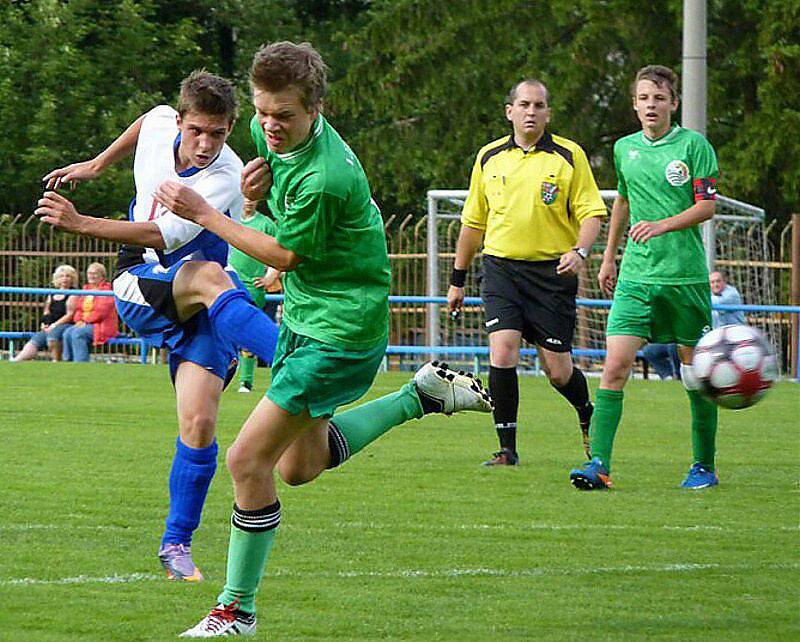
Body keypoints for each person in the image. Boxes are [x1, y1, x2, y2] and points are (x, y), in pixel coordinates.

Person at [160, 42, 493, 638]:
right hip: (307, 318)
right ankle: (420, 396)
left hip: (340, 331)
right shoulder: (276, 139)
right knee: (298, 468)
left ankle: (237, 610)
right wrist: (257, 199)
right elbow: (272, 215)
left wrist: (210, 214)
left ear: (317, 106)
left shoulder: (328, 176)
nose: (269, 127)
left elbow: (286, 252)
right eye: (262, 114)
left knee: (245, 459)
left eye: (283, 115)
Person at [36, 70, 281, 582]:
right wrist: (98, 164)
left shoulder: (221, 177)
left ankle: (175, 544)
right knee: (211, 275)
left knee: (200, 423)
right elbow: (146, 123)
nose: (206, 144)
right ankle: (294, 358)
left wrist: (81, 223)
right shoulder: (157, 123)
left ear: (230, 127)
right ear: (181, 119)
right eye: (196, 131)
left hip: (201, 295)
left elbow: (162, 231)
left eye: (217, 133)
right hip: (139, 280)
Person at [569, 65, 720, 491]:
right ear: (634, 104)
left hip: (684, 279)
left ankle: (703, 466)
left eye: (659, 98)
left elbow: (706, 207)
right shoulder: (624, 148)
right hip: (637, 276)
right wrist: (609, 257)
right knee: (614, 367)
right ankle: (598, 464)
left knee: (695, 377)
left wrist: (662, 224)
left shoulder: (694, 146)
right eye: (643, 98)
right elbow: (623, 201)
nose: (651, 105)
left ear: (674, 103)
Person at [447, 78, 607, 466]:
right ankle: (507, 450)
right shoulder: (489, 157)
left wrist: (580, 251)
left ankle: (586, 410)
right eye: (524, 105)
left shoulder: (569, 156)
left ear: (548, 113)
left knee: (557, 371)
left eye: (538, 106)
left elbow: (592, 212)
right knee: (502, 350)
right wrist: (457, 279)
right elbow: (473, 223)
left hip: (552, 274)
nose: (531, 112)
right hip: (501, 268)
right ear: (510, 112)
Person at [228, 198, 283, 393]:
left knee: (248, 335)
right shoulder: (228, 219)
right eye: (244, 197)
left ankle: (246, 382)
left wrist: (270, 276)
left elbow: (281, 254)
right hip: (227, 284)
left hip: (253, 288)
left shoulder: (266, 225)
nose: (248, 202)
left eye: (252, 199)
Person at [13, 264, 78, 362]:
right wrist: (45, 323)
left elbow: (70, 314)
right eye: (62, 276)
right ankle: (16, 361)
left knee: (53, 336)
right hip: (51, 325)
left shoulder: (74, 294)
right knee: (35, 340)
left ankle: (56, 361)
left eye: (68, 276)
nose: (65, 279)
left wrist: (54, 325)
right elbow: (46, 310)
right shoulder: (52, 293)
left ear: (72, 278)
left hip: (66, 325)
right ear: (57, 278)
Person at [62, 262, 118, 362]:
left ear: (102, 276)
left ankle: (81, 363)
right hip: (85, 324)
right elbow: (79, 308)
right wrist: (79, 320)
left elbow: (101, 312)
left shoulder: (107, 291)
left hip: (101, 326)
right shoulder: (86, 289)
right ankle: (67, 362)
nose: (91, 276)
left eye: (95, 273)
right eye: (89, 273)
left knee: (78, 333)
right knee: (67, 333)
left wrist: (85, 321)